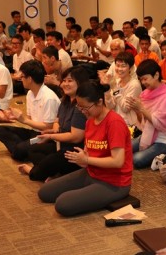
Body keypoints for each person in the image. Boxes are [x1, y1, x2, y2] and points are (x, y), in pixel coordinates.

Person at [37, 80, 132, 216]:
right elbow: (89, 150)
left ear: (99, 102)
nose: (83, 112)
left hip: (114, 182)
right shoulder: (90, 120)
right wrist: (82, 158)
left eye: (85, 108)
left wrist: (86, 159)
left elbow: (117, 161)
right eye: (79, 108)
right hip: (92, 173)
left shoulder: (114, 123)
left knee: (63, 204)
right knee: (45, 192)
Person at [18, 66, 89, 181]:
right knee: (32, 150)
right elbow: (57, 120)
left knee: (38, 172)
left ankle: (33, 170)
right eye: (64, 81)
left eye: (70, 81)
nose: (65, 84)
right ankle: (56, 172)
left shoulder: (80, 106)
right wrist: (55, 130)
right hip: (60, 144)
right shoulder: (65, 101)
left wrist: (51, 136)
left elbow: (76, 137)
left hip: (74, 151)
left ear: (80, 83)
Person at [0, 60, 60, 161]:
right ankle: (25, 149)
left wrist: (24, 120)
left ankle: (23, 150)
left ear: (29, 79)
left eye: (22, 77)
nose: (21, 79)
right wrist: (15, 116)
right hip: (33, 132)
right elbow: (30, 119)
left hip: (45, 136)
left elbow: (49, 126)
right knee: (0, 130)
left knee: (19, 150)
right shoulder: (30, 93)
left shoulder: (49, 97)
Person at [127, 60, 166, 169]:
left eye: (145, 79)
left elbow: (160, 124)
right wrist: (136, 109)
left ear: (156, 75)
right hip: (147, 135)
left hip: (164, 141)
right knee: (122, 149)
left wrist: (140, 108)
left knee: (136, 160)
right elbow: (143, 123)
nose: (143, 82)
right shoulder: (146, 93)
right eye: (141, 80)